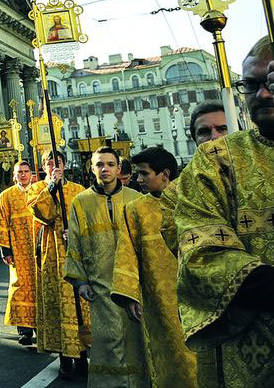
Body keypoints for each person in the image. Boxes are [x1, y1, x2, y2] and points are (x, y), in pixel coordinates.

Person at [176, 36, 274, 386]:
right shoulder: (216, 161)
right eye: (252, 85)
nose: (263, 95)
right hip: (255, 347)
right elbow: (202, 252)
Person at [110, 147, 197, 386]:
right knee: (167, 358)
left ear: (165, 174)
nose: (138, 180)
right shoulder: (135, 209)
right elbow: (127, 252)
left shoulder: (193, 201)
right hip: (158, 298)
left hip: (195, 294)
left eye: (144, 174)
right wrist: (129, 295)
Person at [64, 147, 148, 386]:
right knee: (108, 342)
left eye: (110, 164)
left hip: (134, 284)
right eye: (99, 164)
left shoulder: (135, 199)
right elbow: (75, 243)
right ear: (92, 169)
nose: (105, 169)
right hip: (100, 287)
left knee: (137, 341)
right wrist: (80, 282)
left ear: (118, 168)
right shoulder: (80, 202)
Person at [28, 149, 90, 379]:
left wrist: (74, 230)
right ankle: (64, 357)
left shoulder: (78, 189)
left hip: (75, 249)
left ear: (65, 164)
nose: (54, 166)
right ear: (43, 167)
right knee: (59, 305)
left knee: (79, 305)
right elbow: (41, 212)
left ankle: (82, 355)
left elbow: (87, 217)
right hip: (52, 250)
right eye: (49, 163)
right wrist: (52, 187)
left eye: (58, 162)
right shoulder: (37, 189)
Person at [0, 159, 38, 346]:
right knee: (20, 287)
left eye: (26, 171)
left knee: (39, 287)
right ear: (14, 175)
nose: (23, 174)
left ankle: (41, 327)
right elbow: (0, 223)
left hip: (39, 247)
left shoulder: (40, 191)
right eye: (20, 172)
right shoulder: (6, 195)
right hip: (18, 250)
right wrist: (5, 249)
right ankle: (24, 330)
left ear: (31, 175)